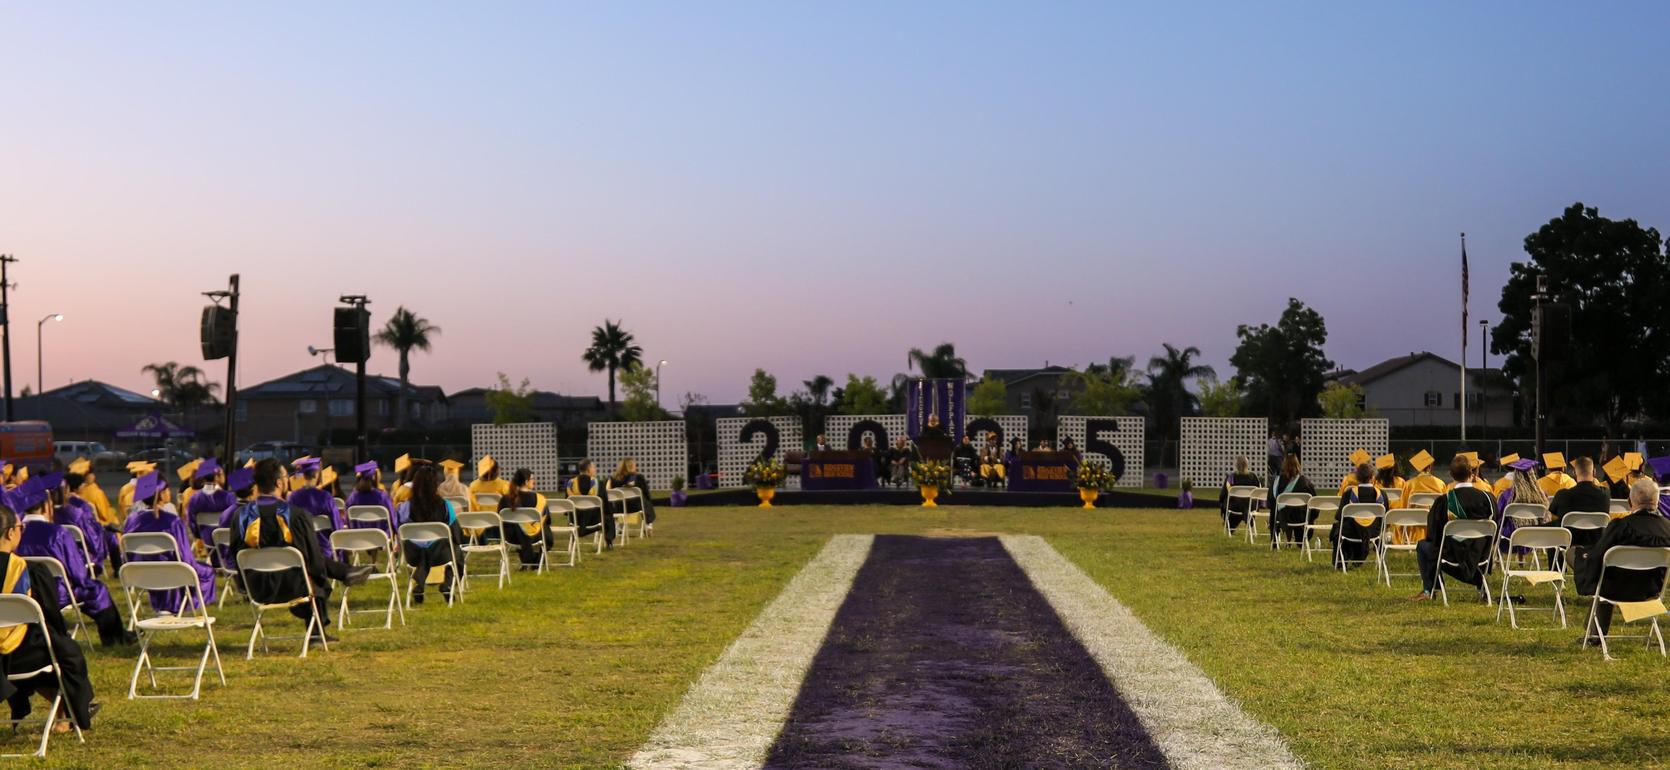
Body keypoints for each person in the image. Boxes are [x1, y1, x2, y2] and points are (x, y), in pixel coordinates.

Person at [228, 459, 371, 636]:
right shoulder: (295, 515)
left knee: (308, 564)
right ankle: (317, 631)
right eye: (286, 477)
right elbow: (313, 558)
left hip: (255, 587)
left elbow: (235, 553)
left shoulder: (239, 516)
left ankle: (344, 573)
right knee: (312, 569)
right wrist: (323, 575)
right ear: (279, 482)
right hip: (293, 586)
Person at [0, 503, 98, 733]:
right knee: (63, 651)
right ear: (10, 533)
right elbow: (50, 617)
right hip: (24, 657)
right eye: (19, 527)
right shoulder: (31, 570)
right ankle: (72, 710)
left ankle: (64, 710)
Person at [13, 476, 133, 646]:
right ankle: (114, 637)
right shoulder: (56, 533)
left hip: (23, 590)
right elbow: (77, 572)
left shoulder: (14, 534)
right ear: (46, 506)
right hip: (57, 591)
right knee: (98, 590)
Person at [1575, 478, 1670, 643]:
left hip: (1614, 589)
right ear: (1657, 501)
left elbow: (1598, 556)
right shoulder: (1667, 528)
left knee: (1582, 560)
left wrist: (1585, 558)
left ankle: (1595, 635)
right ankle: (1593, 632)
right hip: (1651, 589)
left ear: (1629, 501)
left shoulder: (1620, 526)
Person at [124, 471, 218, 612]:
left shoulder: (132, 520)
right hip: (173, 574)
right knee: (207, 571)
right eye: (167, 489)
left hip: (140, 575)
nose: (169, 492)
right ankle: (183, 605)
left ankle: (167, 604)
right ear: (160, 494)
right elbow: (185, 558)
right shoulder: (172, 521)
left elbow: (127, 554)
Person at [1411, 456, 1498, 601]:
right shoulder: (1488, 499)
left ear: (1451, 476)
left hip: (1451, 557)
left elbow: (1433, 535)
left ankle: (1429, 590)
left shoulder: (1444, 501)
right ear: (1473, 474)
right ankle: (1480, 588)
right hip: (1480, 556)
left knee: (1422, 545)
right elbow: (1494, 527)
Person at [393, 464, 463, 604]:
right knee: (456, 551)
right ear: (436, 484)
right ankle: (448, 584)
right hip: (440, 555)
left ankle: (419, 584)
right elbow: (456, 533)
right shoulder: (445, 505)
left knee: (424, 550)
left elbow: (399, 530)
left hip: (413, 555)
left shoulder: (405, 506)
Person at [51, 471, 112, 576]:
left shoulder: (49, 515)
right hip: (78, 553)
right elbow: (91, 536)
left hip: (56, 553)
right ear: (66, 492)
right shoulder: (77, 511)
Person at [1333, 463, 1387, 568]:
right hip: (1373, 532)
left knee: (1339, 528)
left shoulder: (1349, 493)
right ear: (1372, 477)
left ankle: (1341, 562)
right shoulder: (1381, 494)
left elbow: (1339, 516)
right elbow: (1385, 516)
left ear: (1357, 477)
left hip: (1351, 533)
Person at [286, 458, 342, 560]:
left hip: (303, 549)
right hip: (325, 548)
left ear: (303, 475)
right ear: (317, 474)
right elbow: (336, 524)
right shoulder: (326, 497)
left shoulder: (293, 497)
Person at [498, 468, 551, 569]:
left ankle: (528, 560)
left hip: (511, 538)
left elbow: (500, 520)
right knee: (545, 529)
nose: (534, 481)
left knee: (518, 529)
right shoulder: (540, 498)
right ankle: (536, 560)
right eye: (532, 479)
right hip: (535, 537)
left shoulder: (505, 499)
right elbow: (548, 519)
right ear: (526, 482)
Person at [184, 460, 234, 563]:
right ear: (216, 477)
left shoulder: (194, 499)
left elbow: (192, 522)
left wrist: (198, 534)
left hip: (206, 537)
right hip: (225, 537)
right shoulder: (228, 497)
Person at [1266, 454, 1316, 548]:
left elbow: (1270, 503)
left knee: (1274, 511)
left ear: (1283, 465)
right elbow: (1314, 504)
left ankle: (1275, 541)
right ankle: (1301, 538)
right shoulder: (1305, 482)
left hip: (1281, 518)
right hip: (1301, 518)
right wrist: (1311, 517)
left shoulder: (1275, 482)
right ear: (1298, 465)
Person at [565, 460, 615, 548]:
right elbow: (606, 506)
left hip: (575, 521)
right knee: (609, 514)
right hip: (595, 521)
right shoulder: (599, 483)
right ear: (589, 469)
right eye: (593, 468)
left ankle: (574, 540)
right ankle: (609, 542)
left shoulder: (570, 483)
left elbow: (567, 507)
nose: (595, 470)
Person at [345, 462, 396, 537]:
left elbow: (348, 520)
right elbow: (392, 517)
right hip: (381, 537)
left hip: (359, 538)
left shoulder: (353, 497)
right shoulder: (381, 496)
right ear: (374, 478)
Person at [607, 458, 657, 533]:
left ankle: (617, 525)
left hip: (619, 508)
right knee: (646, 500)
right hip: (635, 507)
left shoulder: (613, 479)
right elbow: (646, 493)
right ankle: (648, 524)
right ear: (632, 466)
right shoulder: (639, 478)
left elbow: (609, 493)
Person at [1219, 456, 1260, 534]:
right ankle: (1247, 517)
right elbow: (1258, 493)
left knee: (1228, 503)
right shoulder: (1253, 477)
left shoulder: (1231, 477)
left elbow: (1223, 493)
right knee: (1245, 504)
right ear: (1247, 465)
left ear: (1236, 465)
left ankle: (1230, 525)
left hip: (1235, 507)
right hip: (1250, 507)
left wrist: (1221, 502)